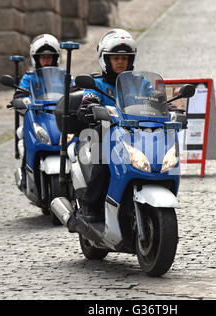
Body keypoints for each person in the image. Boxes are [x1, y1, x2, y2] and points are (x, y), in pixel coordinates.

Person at [76, 28, 137, 222]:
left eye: (124, 58)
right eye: (115, 58)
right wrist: (89, 106)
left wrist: (170, 107)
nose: (120, 62)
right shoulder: (96, 84)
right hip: (104, 135)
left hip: (136, 135)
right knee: (103, 161)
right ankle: (90, 204)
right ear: (105, 59)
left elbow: (155, 98)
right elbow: (88, 99)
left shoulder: (139, 83)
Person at [13, 34, 62, 190]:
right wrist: (22, 101)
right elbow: (19, 95)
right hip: (38, 118)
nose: (46, 60)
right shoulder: (29, 77)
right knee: (30, 139)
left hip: (57, 118)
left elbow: (73, 90)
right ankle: (25, 169)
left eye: (50, 57)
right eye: (43, 57)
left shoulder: (64, 76)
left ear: (56, 58)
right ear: (36, 58)